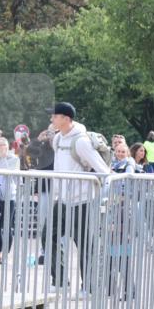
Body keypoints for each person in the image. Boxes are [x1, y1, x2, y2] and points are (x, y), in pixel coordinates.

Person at [47, 102, 112, 295]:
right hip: (63, 200)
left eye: (55, 116)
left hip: (83, 201)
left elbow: (102, 169)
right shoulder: (57, 139)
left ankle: (89, 287)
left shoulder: (81, 142)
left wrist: (101, 195)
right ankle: (59, 281)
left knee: (85, 244)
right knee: (48, 236)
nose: (51, 119)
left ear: (66, 119)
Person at [0, 137, 20, 265]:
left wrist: (4, 158)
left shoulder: (14, 159)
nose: (1, 147)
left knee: (6, 226)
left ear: (7, 147)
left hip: (9, 195)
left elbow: (10, 173)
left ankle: (5, 253)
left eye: (3, 145)